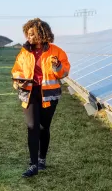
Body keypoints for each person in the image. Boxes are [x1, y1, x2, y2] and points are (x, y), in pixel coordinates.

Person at [11, 18, 71, 178]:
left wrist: (58, 67)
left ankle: (42, 158)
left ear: (42, 34)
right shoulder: (24, 52)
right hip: (29, 93)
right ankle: (33, 164)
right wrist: (18, 81)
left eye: (32, 34)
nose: (29, 37)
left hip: (49, 95)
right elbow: (16, 70)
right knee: (32, 127)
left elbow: (64, 73)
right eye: (27, 34)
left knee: (44, 127)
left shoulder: (57, 51)